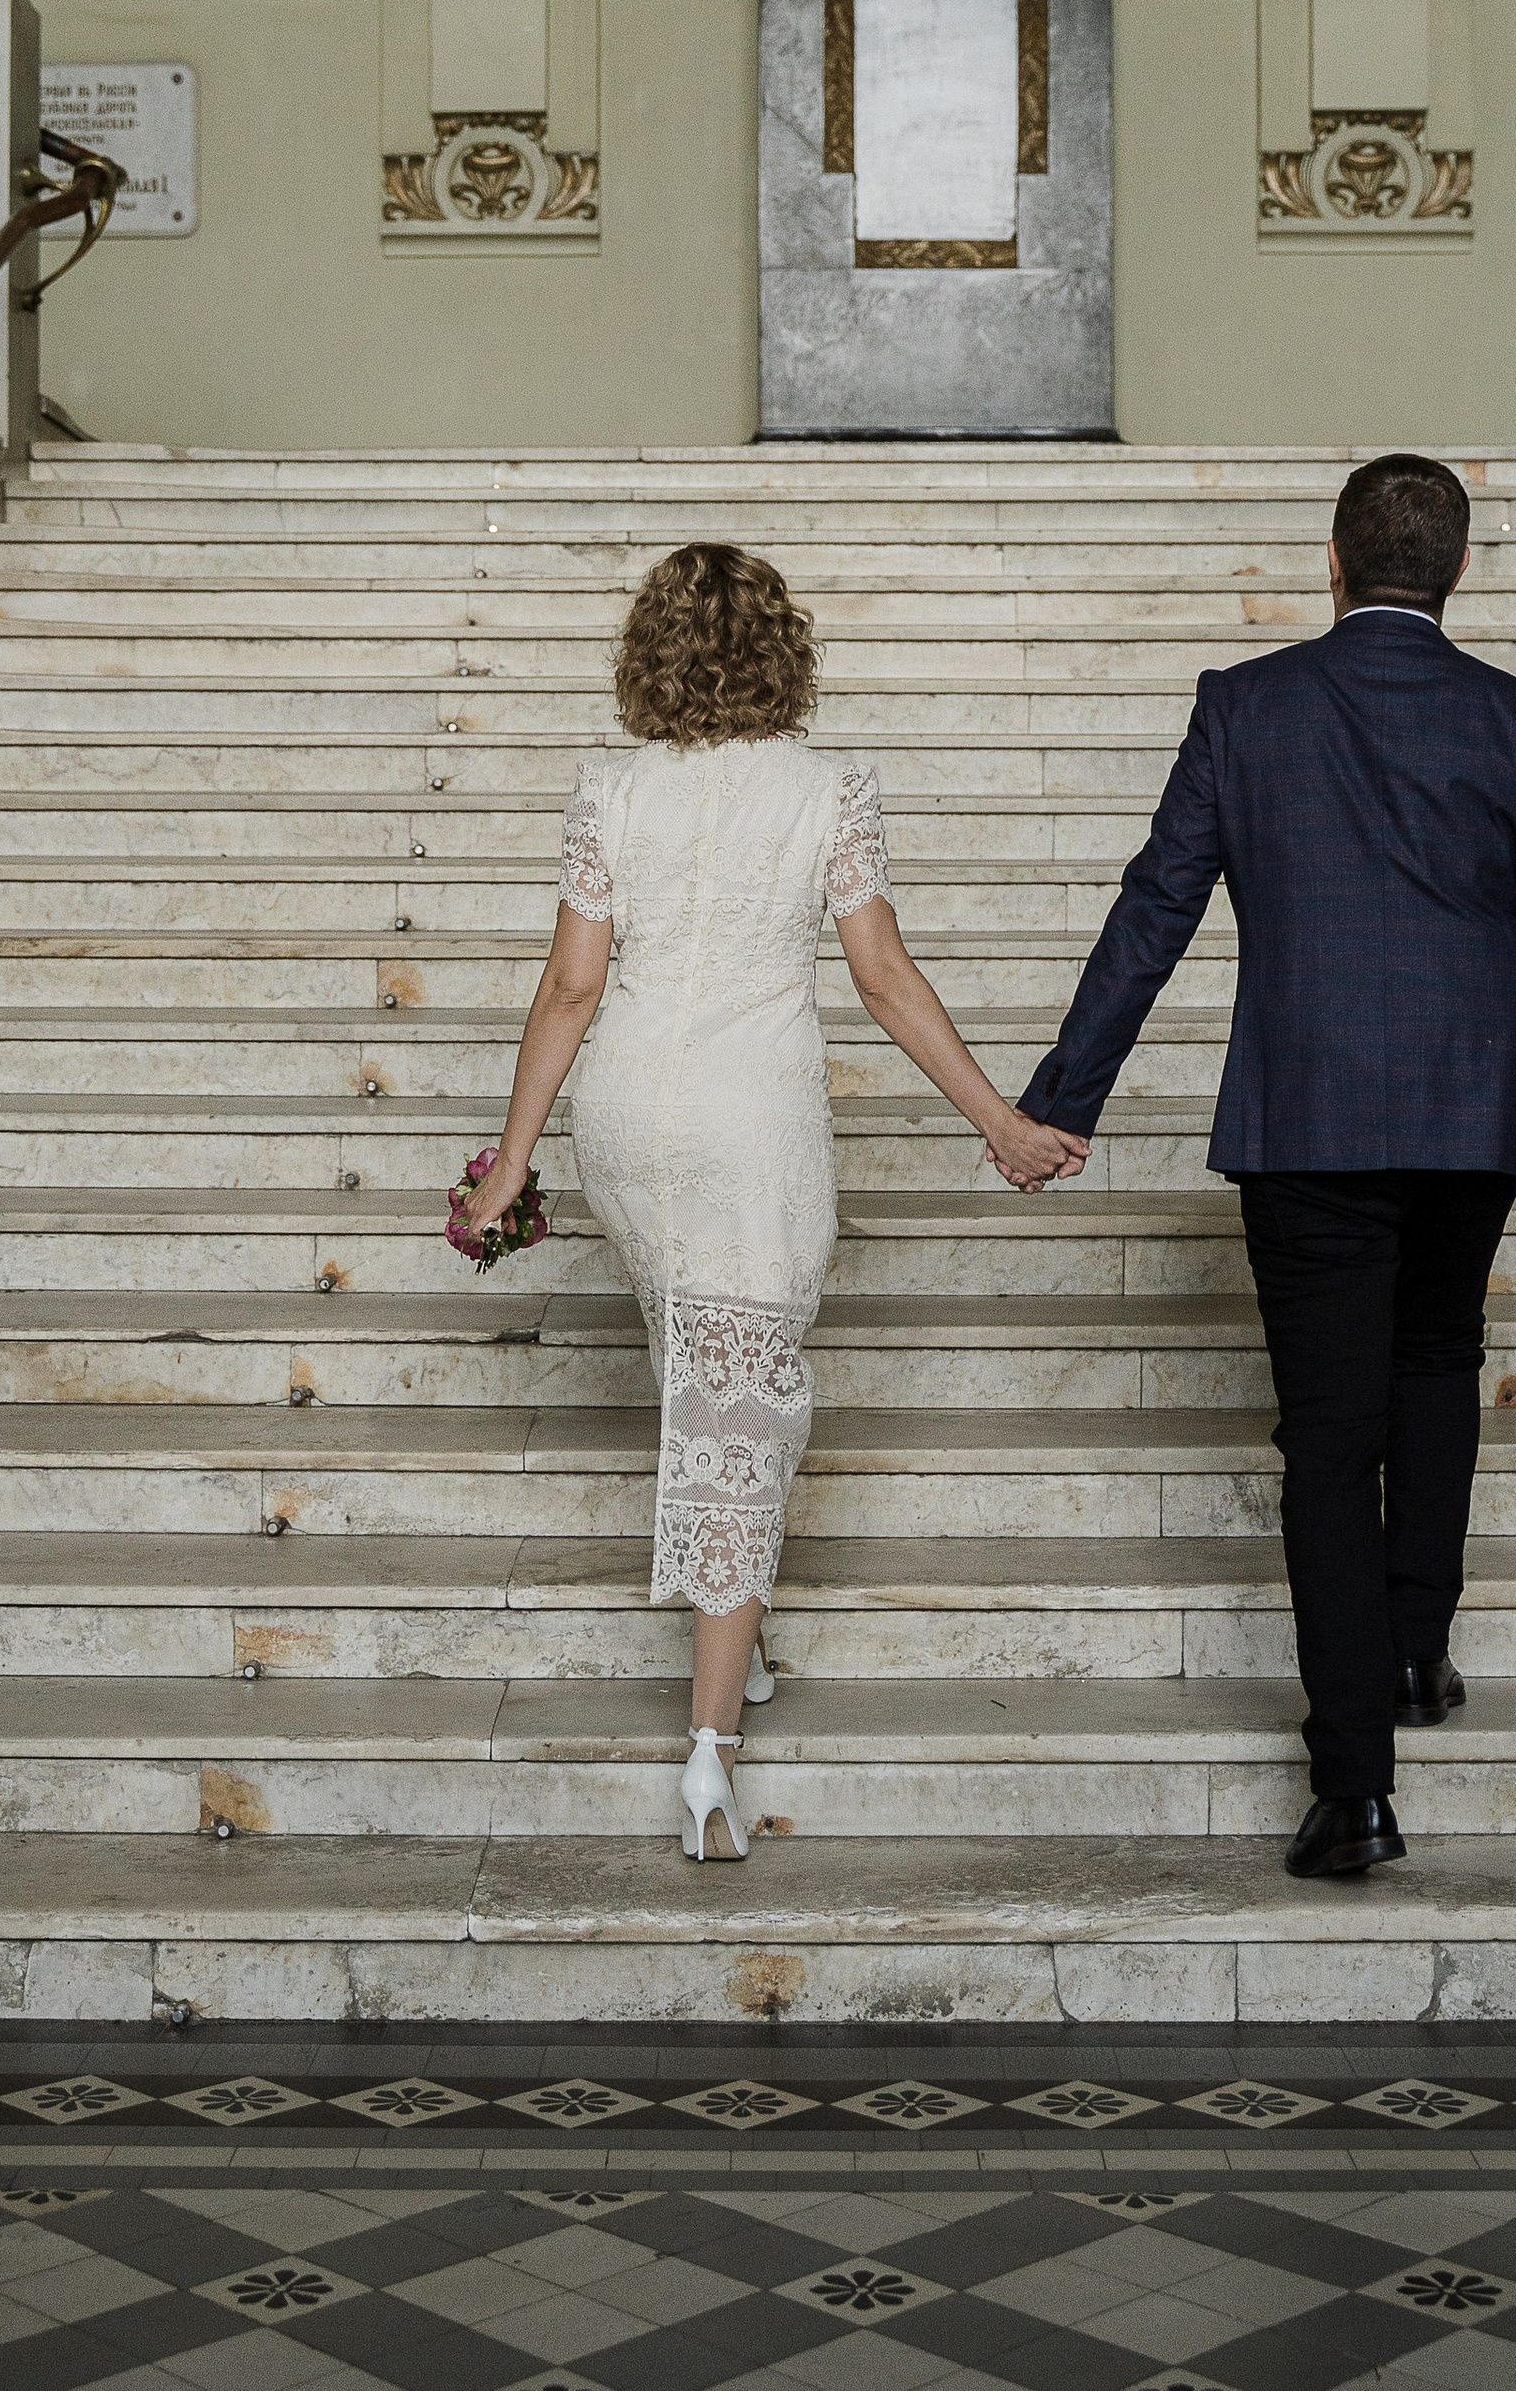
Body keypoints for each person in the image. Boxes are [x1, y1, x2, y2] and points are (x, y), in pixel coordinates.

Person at [1017, 452, 1516, 1882]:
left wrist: (1066, 1098)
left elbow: (1154, 909)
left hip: (1307, 1116)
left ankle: (1352, 1784)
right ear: (1459, 571)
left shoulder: (1246, 709)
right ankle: (1419, 1651)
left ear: (1332, 561)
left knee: (1326, 1436)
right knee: (1434, 1361)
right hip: (1471, 1114)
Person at [460, 542, 1085, 1865]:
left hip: (627, 1120)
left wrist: (513, 1158)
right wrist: (1001, 1123)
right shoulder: (828, 793)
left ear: (650, 657)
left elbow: (571, 989)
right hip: (752, 1126)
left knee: (697, 1363)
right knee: (741, 1412)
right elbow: (883, 976)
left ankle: (733, 1648)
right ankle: (708, 1755)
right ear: (783, 653)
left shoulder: (609, 793)